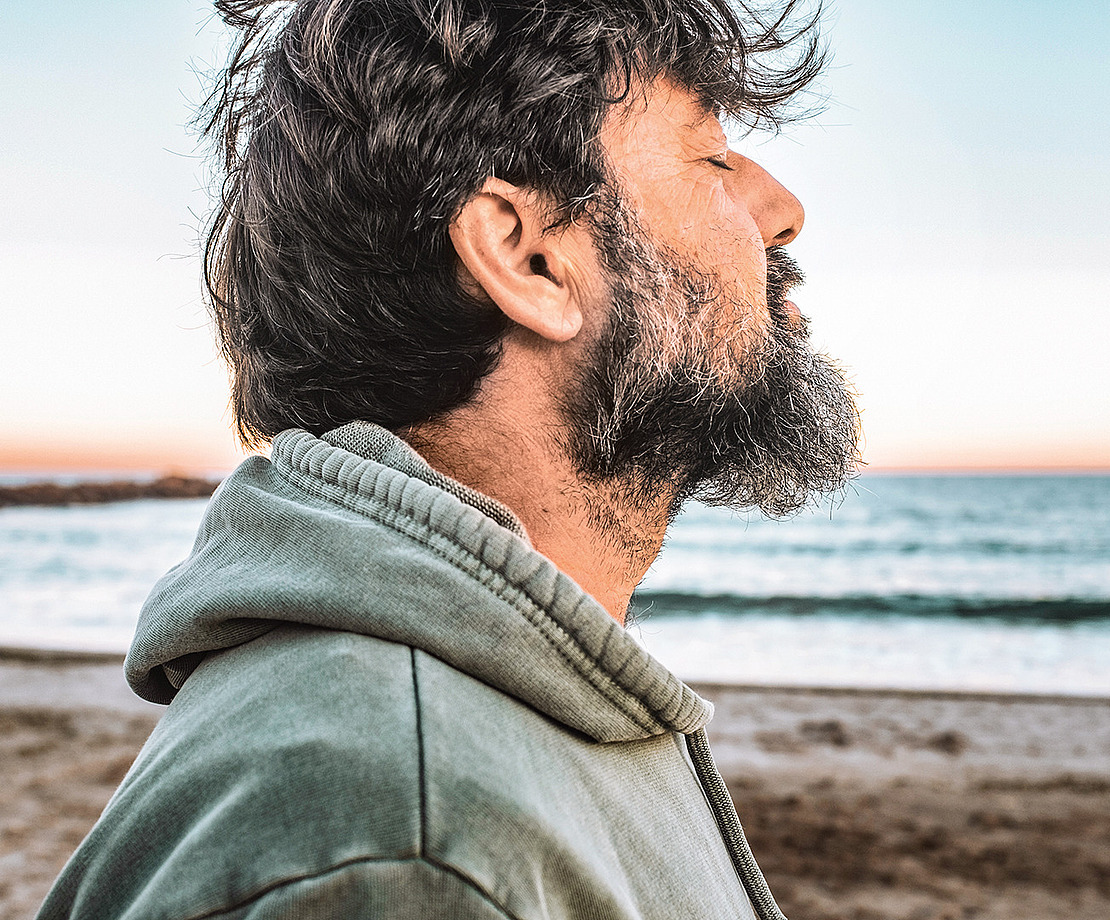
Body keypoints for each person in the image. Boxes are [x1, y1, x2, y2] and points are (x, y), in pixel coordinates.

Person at [38, 0, 859, 917]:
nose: (782, 212)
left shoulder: (482, 729)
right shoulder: (405, 847)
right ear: (527, 258)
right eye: (711, 158)